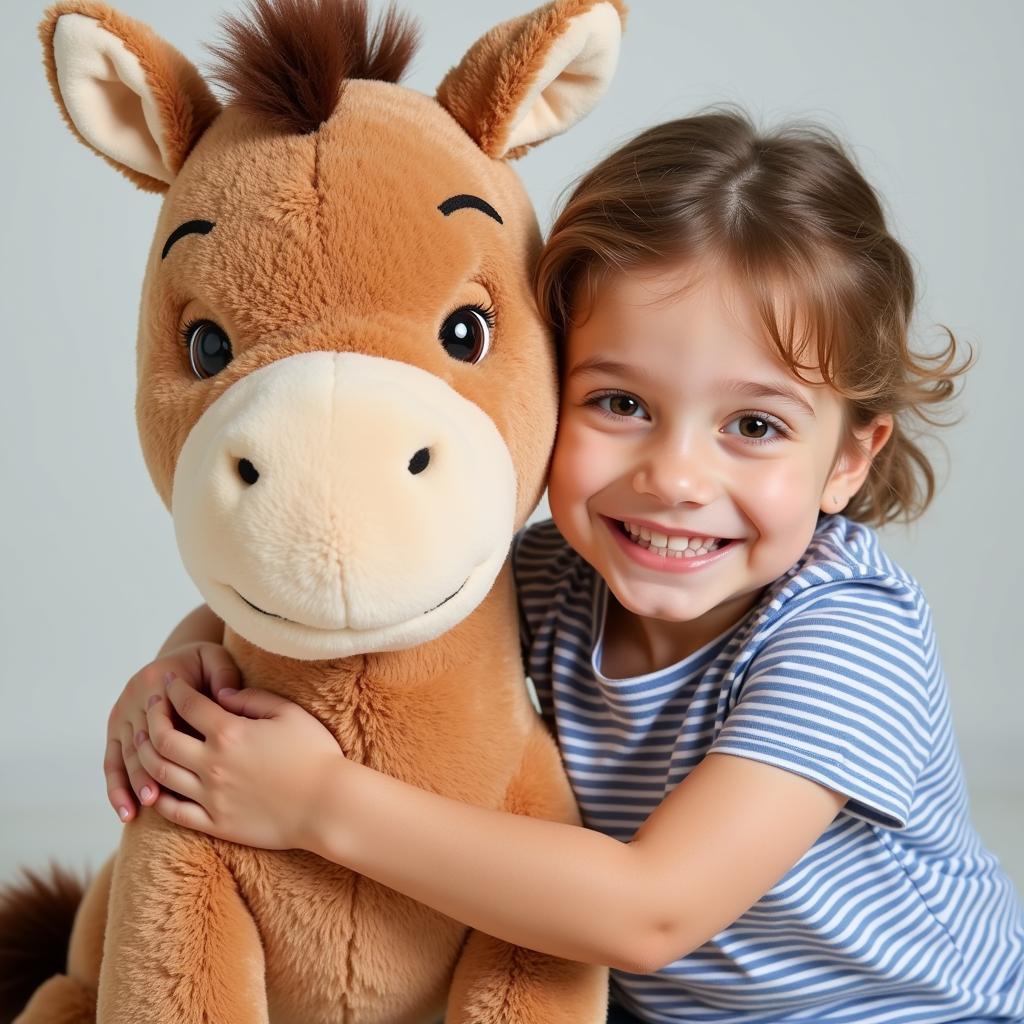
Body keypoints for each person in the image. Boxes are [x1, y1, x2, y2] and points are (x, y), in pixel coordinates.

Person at [102, 111, 1024, 1023]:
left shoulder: (851, 638)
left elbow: (650, 910)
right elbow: (365, 636)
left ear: (851, 459)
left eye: (754, 426)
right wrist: (184, 672)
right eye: (620, 401)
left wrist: (315, 803)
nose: (674, 478)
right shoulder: (544, 580)